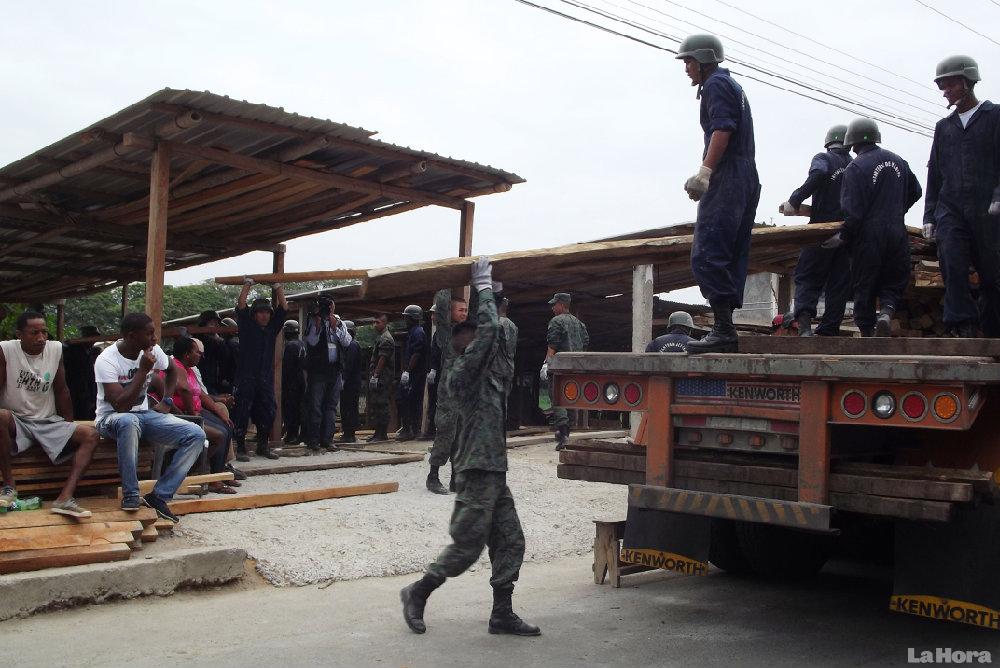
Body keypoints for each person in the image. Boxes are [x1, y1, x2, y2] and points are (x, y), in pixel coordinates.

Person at [400, 257, 539, 638]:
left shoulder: (490, 371)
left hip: (493, 468)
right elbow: (492, 330)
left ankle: (501, 614)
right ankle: (417, 592)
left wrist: (491, 295)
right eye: (473, 334)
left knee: (510, 539)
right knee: (467, 545)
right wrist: (481, 286)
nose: (481, 337)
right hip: (477, 468)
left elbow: (499, 335)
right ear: (464, 345)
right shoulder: (463, 372)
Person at [675, 34, 760, 354]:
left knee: (707, 253)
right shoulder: (732, 86)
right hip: (745, 176)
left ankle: (723, 330)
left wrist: (705, 173)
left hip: (730, 175)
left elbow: (723, 129)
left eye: (688, 61)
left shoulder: (715, 85)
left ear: (704, 60)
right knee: (730, 252)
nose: (686, 67)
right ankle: (726, 328)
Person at [93, 313, 205, 521]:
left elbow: (171, 370)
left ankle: (159, 495)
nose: (155, 338)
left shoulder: (153, 351)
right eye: (149, 333)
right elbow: (121, 406)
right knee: (128, 420)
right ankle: (131, 495)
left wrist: (167, 400)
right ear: (131, 336)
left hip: (143, 415)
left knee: (196, 434)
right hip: (110, 419)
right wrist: (143, 371)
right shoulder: (106, 360)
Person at [925, 55, 1000, 337]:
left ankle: (993, 331)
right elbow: (935, 173)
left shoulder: (995, 117)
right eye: (942, 87)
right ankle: (962, 325)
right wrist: (929, 214)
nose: (945, 92)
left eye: (950, 85)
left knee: (992, 277)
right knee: (952, 262)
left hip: (989, 210)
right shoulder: (944, 127)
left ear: (967, 82)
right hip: (951, 208)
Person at [0, 311, 99, 517]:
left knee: (91, 434)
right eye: (34, 333)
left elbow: (62, 389)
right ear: (19, 334)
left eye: (44, 332)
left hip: (47, 421)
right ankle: (9, 486)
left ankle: (65, 498)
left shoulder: (55, 349)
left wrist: (68, 425)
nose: (41, 338)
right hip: (17, 420)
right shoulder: (6, 349)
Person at [831, 118, 922, 337]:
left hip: (868, 236)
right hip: (897, 232)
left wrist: (843, 236)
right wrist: (897, 211)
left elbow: (852, 210)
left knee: (865, 283)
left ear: (851, 142)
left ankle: (866, 331)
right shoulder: (898, 160)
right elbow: (916, 191)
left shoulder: (855, 167)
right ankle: (887, 313)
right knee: (893, 278)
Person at [779, 125, 854, 337]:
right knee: (839, 282)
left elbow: (819, 173)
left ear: (829, 142)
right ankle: (829, 329)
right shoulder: (855, 164)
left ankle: (804, 328)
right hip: (846, 234)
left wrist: (795, 200)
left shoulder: (824, 158)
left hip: (821, 231)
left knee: (807, 276)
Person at [156, 336, 239, 495]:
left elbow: (200, 394)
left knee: (226, 428)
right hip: (182, 413)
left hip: (195, 411)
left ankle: (217, 473)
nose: (200, 356)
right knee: (219, 435)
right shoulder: (177, 367)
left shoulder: (190, 370)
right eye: (197, 352)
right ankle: (205, 475)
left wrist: (218, 411)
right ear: (187, 354)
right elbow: (184, 390)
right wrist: (193, 415)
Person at [231, 278, 287, 460]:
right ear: (254, 315)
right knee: (242, 410)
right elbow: (241, 304)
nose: (264, 316)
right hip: (246, 376)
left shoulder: (272, 328)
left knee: (269, 409)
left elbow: (284, 308)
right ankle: (240, 447)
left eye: (267, 312)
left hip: (264, 378)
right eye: (260, 312)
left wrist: (277, 286)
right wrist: (248, 283)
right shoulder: (247, 326)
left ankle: (263, 445)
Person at [426, 292, 469, 495]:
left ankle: (455, 478)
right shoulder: (444, 333)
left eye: (466, 310)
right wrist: (448, 285)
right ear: (450, 312)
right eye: (460, 310)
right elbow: (441, 307)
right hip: (449, 390)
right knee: (445, 431)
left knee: (461, 434)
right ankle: (433, 477)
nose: (465, 313)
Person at [539, 293, 588, 451]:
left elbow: (552, 345)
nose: (553, 308)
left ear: (561, 305)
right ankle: (568, 432)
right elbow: (586, 342)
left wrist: (546, 364)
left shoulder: (556, 321)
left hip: (560, 367)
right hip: (576, 367)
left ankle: (563, 433)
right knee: (572, 397)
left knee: (557, 398)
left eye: (554, 305)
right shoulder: (580, 324)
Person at [303, 298, 351, 452]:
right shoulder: (313, 320)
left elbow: (347, 342)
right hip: (317, 371)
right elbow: (311, 341)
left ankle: (328, 439)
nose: (328, 309)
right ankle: (313, 440)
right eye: (325, 306)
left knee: (330, 407)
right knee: (315, 407)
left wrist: (335, 327)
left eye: (330, 305)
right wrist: (318, 327)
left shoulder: (338, 322)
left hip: (334, 371)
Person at [397, 305, 428, 442]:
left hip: (416, 374)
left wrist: (408, 372)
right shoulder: (413, 332)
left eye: (407, 317)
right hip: (412, 373)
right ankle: (408, 429)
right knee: (404, 400)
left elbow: (416, 353)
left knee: (412, 401)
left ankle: (413, 430)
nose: (405, 319)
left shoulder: (418, 333)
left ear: (412, 318)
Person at [366, 314, 395, 443]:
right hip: (380, 376)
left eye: (377, 322)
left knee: (381, 404)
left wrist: (375, 376)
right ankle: (378, 432)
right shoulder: (381, 337)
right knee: (376, 405)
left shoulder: (386, 338)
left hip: (383, 377)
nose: (375, 325)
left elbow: (382, 359)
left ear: (384, 323)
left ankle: (382, 433)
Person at [281, 319, 306, 445]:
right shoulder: (301, 343)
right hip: (301, 380)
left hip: (291, 383)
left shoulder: (290, 346)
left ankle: (291, 435)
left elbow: (287, 367)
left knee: (290, 409)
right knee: (298, 409)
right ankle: (296, 435)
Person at [338, 320, 363, 444]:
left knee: (349, 408)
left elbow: (349, 364)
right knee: (347, 407)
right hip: (350, 383)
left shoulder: (352, 345)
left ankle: (349, 434)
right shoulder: (349, 345)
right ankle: (348, 433)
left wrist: (343, 378)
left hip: (351, 384)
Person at [421, 303, 441, 441]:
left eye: (434, 314)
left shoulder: (443, 333)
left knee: (438, 402)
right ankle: (431, 429)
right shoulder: (438, 332)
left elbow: (439, 354)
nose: (432, 316)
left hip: (441, 374)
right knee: (433, 400)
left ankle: (434, 430)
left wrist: (434, 369)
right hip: (436, 373)